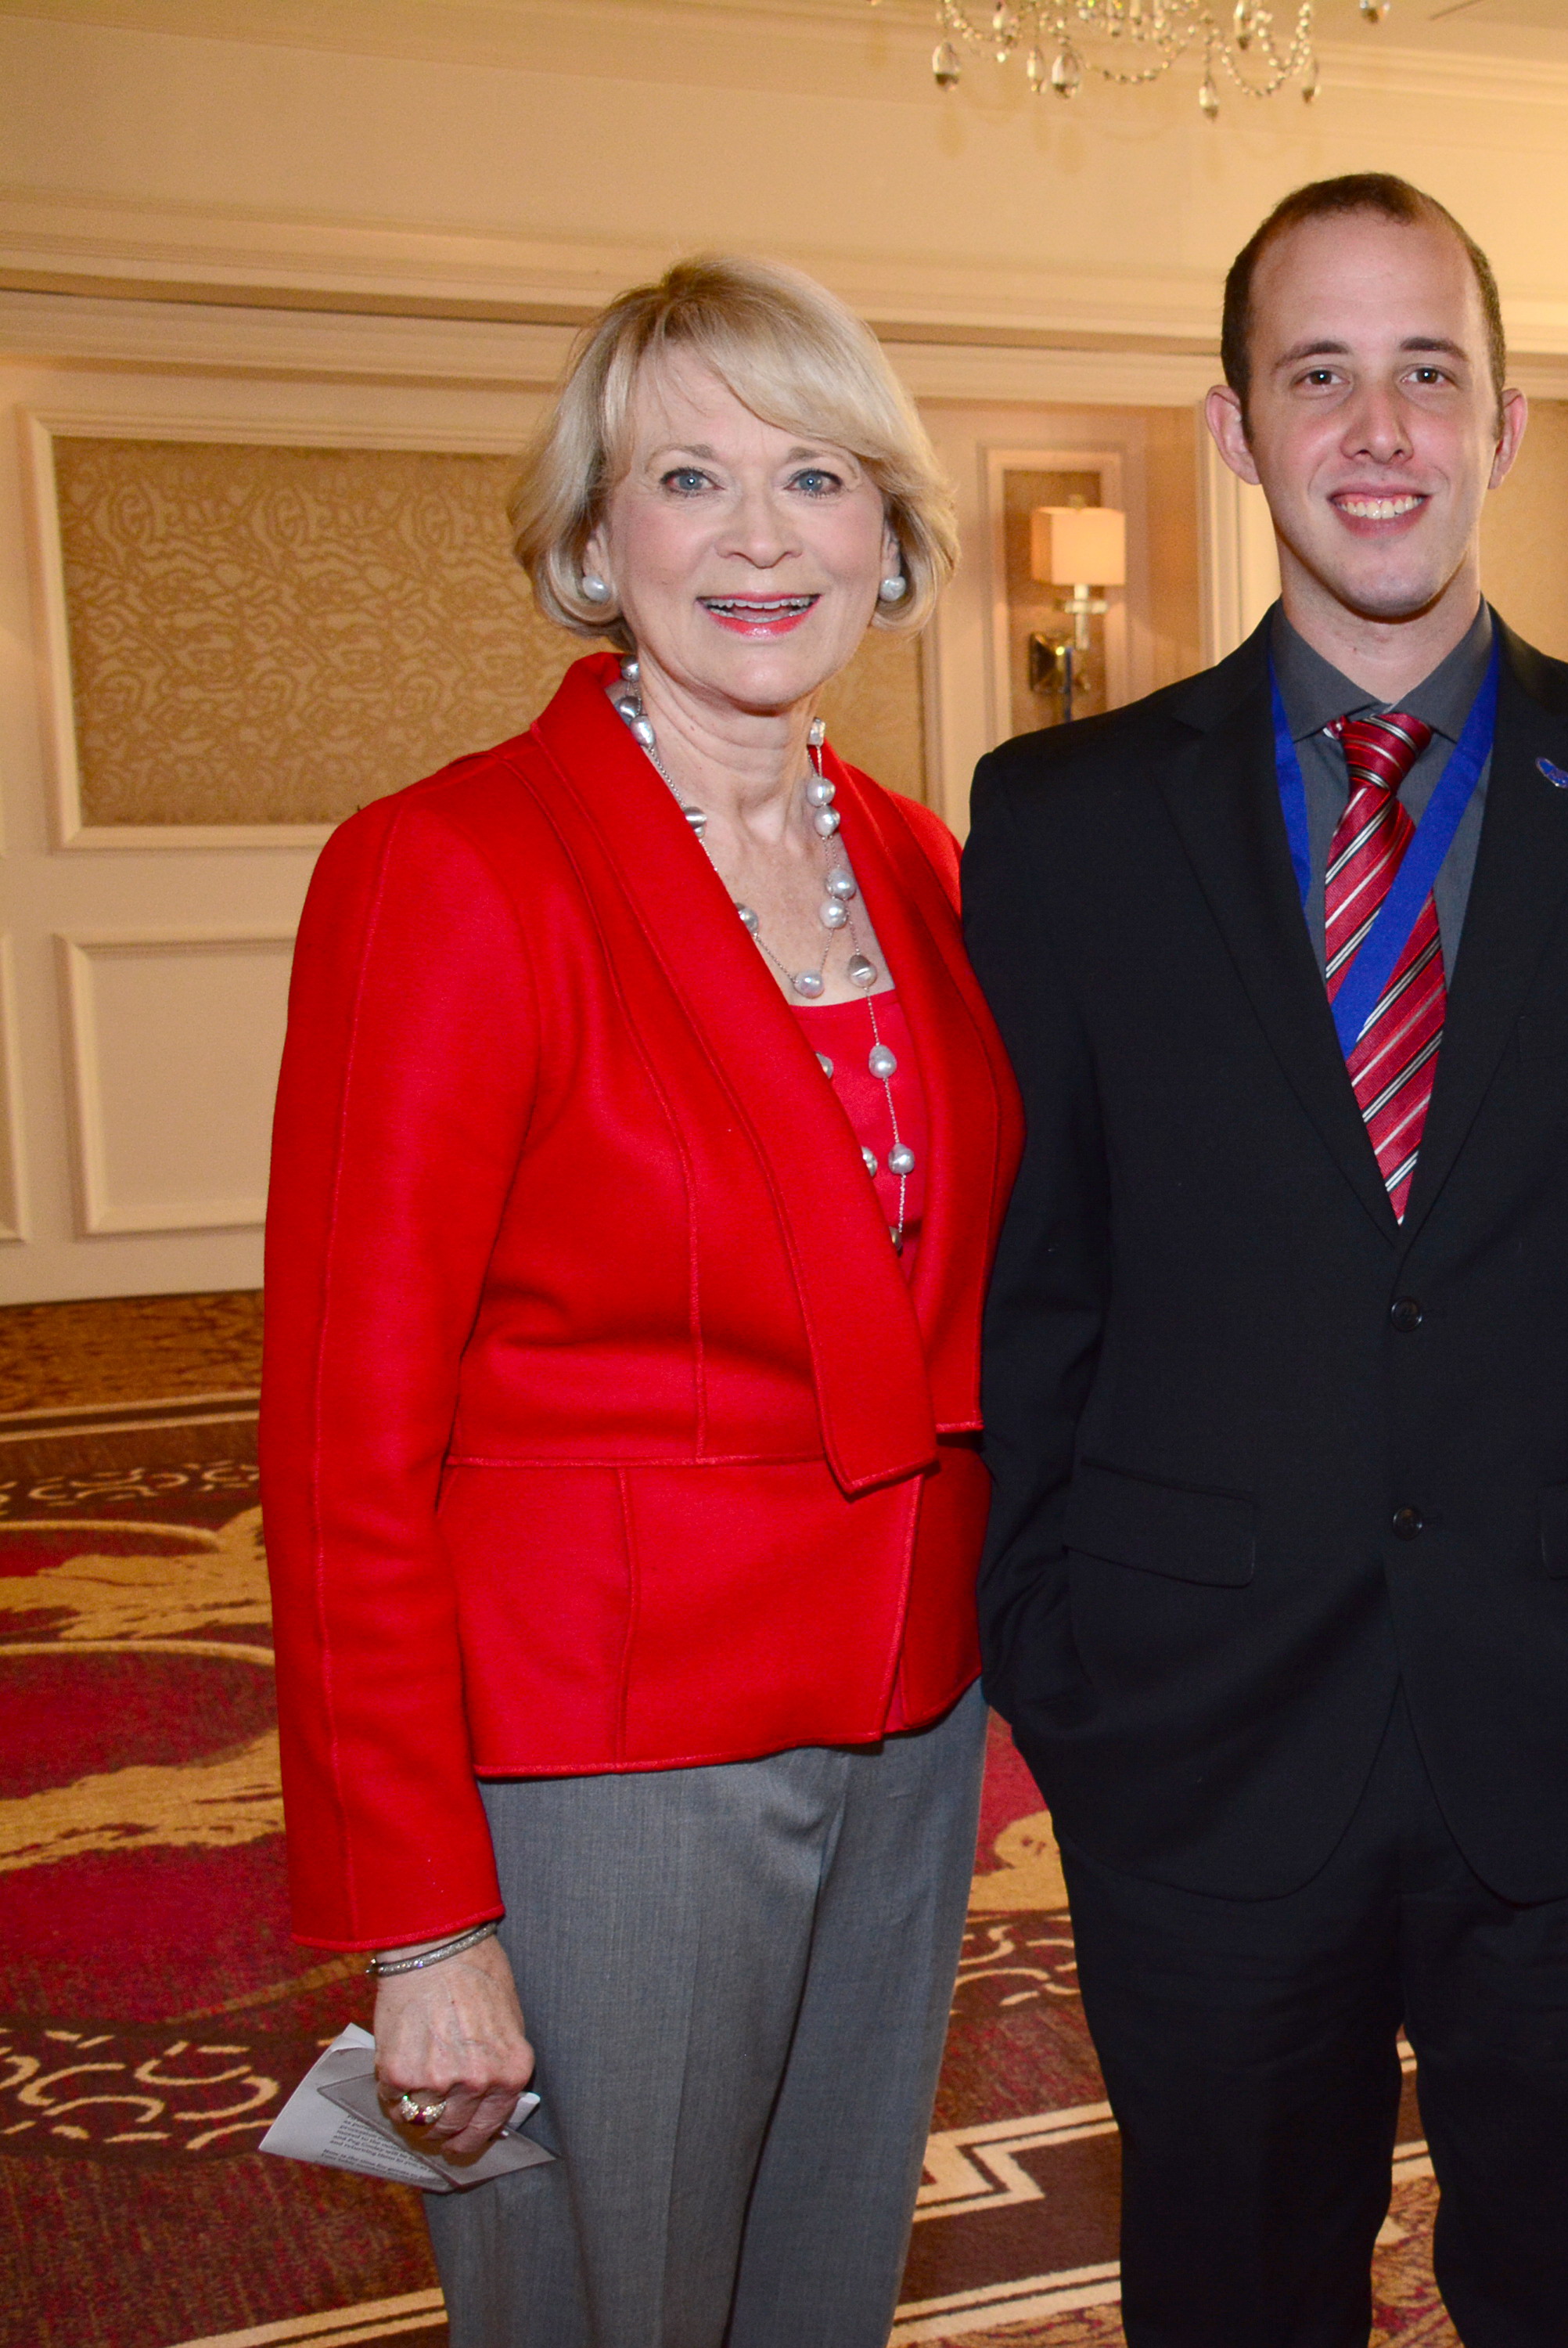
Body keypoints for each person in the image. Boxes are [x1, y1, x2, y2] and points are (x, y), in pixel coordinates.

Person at [962, 173, 1568, 2348]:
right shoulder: (1058, 825)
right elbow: (1034, 1292)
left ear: (1505, 421)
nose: (1378, 427)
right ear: (1235, 429)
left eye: (1428, 370)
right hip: (1199, 1732)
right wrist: (1060, 1648)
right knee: (1232, 2296)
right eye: (1317, 373)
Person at [261, 254, 1016, 2343]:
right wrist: (427, 1925)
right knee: (603, 2311)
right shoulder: (451, 873)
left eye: (816, 477)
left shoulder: (930, 868)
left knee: (818, 2294)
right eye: (691, 478)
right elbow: (341, 1441)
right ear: (599, 542)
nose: (761, 537)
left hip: (911, 1726)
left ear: (886, 538)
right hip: (609, 1761)